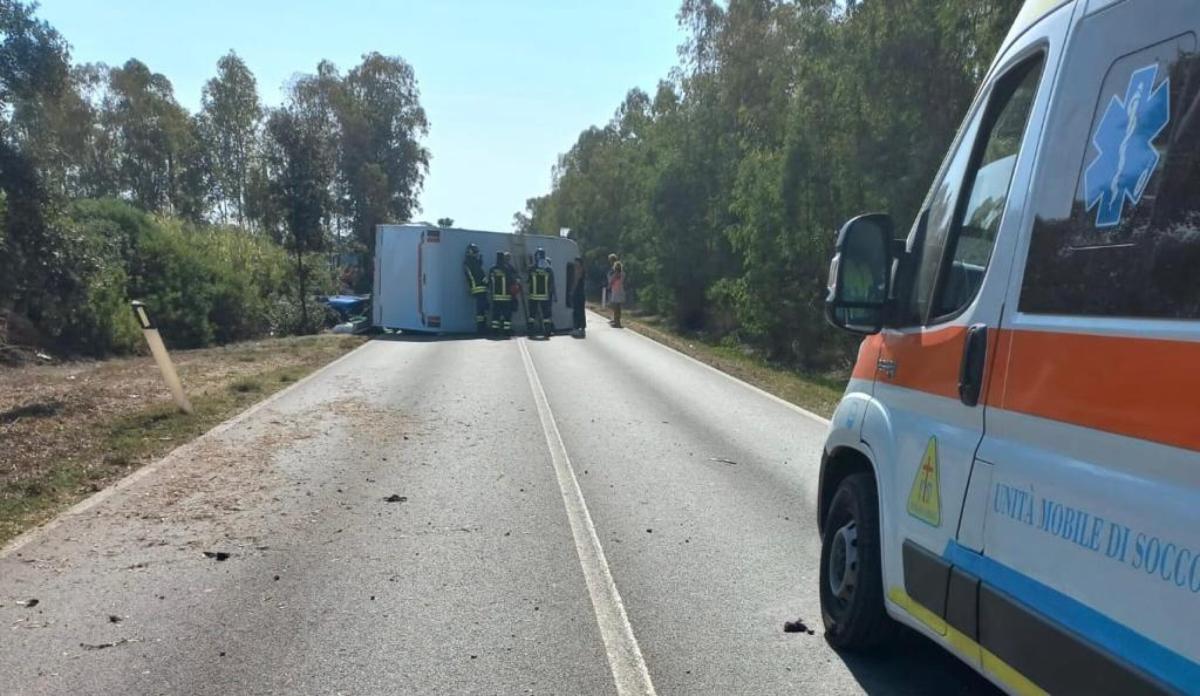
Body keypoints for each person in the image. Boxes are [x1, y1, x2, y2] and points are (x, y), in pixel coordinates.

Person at [527, 247, 556, 339]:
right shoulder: (549, 269)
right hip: (545, 297)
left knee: (532, 316)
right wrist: (552, 295)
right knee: (546, 316)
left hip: (533, 296)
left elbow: (528, 281)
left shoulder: (532, 268)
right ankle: (547, 332)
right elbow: (552, 284)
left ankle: (531, 332)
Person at [463, 243, 488, 334]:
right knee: (481, 309)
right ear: (471, 252)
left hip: (477, 288)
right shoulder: (471, 262)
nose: (477, 254)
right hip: (479, 288)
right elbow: (479, 274)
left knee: (481, 309)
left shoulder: (469, 262)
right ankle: (481, 329)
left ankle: (481, 327)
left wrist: (479, 261)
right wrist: (486, 281)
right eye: (475, 252)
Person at [488, 251, 515, 337]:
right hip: (506, 297)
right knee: (507, 315)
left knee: (496, 315)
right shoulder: (506, 269)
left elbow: (489, 281)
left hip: (496, 297)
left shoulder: (492, 269)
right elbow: (512, 281)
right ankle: (506, 331)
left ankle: (494, 331)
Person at [567, 257, 587, 337]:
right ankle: (582, 328)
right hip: (582, 293)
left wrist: (572, 291)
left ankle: (576, 328)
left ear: (579, 263)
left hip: (577, 293)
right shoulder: (583, 270)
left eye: (576, 263)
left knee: (576, 311)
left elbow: (576, 281)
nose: (575, 265)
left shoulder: (579, 270)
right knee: (581, 311)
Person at [608, 260, 626, 328]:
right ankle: (618, 322)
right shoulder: (623, 274)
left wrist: (609, 286)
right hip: (620, 291)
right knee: (619, 308)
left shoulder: (615, 275)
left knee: (615, 308)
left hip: (615, 292)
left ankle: (616, 322)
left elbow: (611, 282)